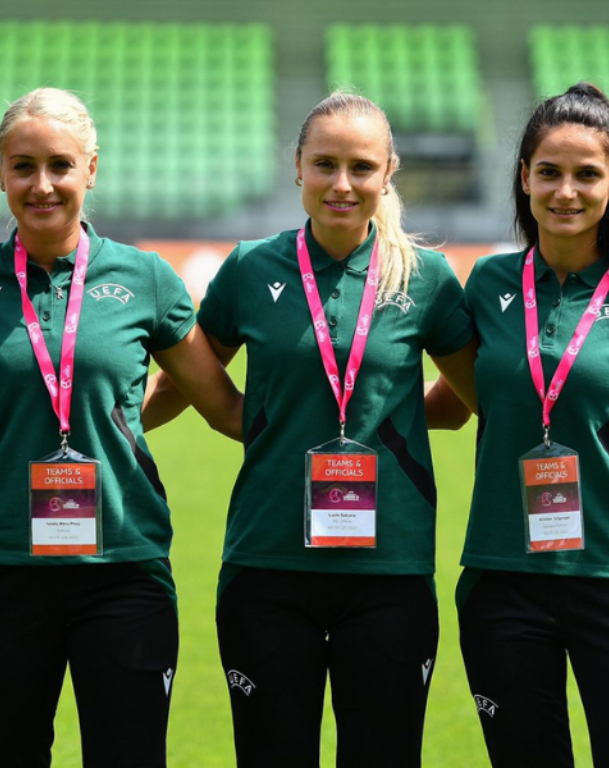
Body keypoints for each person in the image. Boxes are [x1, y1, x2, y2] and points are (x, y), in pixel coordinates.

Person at [146, 91, 478, 766]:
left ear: (388, 172)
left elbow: (477, 398)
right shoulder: (251, 268)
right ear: (297, 165)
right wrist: (107, 429)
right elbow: (189, 379)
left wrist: (390, 422)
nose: (342, 183)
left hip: (390, 570)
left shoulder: (426, 277)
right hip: (268, 565)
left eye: (362, 167)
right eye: (325, 164)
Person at [0, 87, 243, 767]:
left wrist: (115, 426)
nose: (42, 185)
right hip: (1, 569)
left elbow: (220, 405)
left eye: (61, 165)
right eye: (23, 166)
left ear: (90, 169)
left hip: (123, 572)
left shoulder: (146, 278)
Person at [456, 82, 609, 768]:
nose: (565, 191)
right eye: (549, 172)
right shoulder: (487, 285)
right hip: (501, 580)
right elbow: (459, 398)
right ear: (524, 177)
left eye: (587, 175)